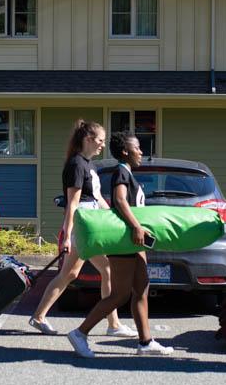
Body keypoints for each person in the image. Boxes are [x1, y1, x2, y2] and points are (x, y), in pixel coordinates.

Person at [67, 131, 173, 358]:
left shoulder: (128, 173)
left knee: (142, 288)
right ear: (126, 151)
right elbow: (119, 200)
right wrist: (136, 226)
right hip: (125, 241)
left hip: (136, 243)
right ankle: (80, 333)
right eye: (138, 148)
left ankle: (145, 342)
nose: (141, 152)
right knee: (120, 294)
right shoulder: (121, 173)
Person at [28, 120, 135, 338]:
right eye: (100, 140)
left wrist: (118, 217)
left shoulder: (88, 164)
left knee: (71, 273)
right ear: (88, 139)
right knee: (103, 270)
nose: (103, 145)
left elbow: (97, 198)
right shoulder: (76, 164)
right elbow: (73, 203)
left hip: (91, 224)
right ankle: (113, 325)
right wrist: (67, 235)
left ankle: (38, 316)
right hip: (83, 226)